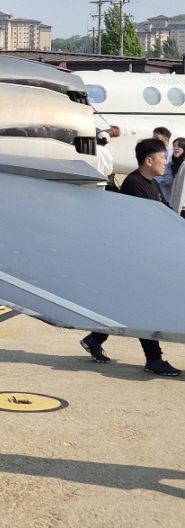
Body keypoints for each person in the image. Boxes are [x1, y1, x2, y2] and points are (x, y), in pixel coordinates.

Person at [80, 137, 181, 376]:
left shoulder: (152, 184)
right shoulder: (134, 185)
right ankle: (153, 359)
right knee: (144, 307)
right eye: (162, 158)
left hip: (145, 255)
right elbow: (145, 222)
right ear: (149, 161)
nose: (165, 162)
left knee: (127, 305)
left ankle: (95, 338)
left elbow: (164, 214)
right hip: (134, 257)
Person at [166, 136, 185, 214]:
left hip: (181, 208)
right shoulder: (176, 164)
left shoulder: (183, 164)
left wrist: (176, 212)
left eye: (179, 146)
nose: (175, 148)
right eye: (174, 146)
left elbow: (182, 189)